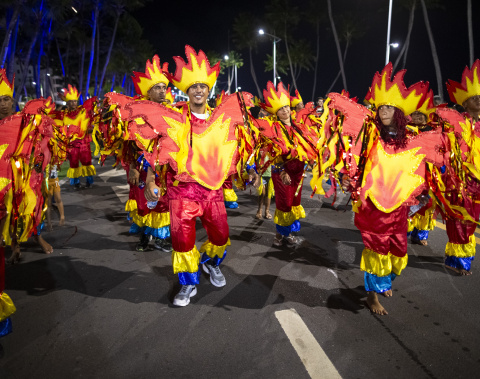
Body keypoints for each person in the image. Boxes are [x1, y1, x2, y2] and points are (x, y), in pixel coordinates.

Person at [111, 46, 254, 306]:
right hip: (182, 190)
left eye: (202, 86)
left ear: (208, 90)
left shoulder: (220, 117)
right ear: (187, 91)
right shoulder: (176, 116)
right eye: (193, 87)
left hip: (212, 190)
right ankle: (188, 283)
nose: (198, 90)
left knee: (221, 235)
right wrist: (152, 179)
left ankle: (210, 263)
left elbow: (237, 147)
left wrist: (251, 171)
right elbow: (158, 149)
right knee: (183, 241)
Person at [313, 64, 448, 315]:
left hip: (399, 208)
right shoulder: (370, 136)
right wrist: (347, 178)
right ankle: (372, 296)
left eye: (389, 106)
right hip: (374, 206)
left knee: (398, 253)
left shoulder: (411, 140)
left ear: (399, 111)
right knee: (376, 251)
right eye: (381, 106)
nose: (383, 110)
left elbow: (424, 167)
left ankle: (384, 281)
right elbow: (354, 161)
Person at [253, 82, 319, 246]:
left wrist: (312, 160)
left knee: (295, 203)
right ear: (276, 112)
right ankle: (278, 236)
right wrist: (282, 172)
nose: (285, 111)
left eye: (286, 107)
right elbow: (272, 154)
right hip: (282, 172)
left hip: (298, 172)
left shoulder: (299, 127)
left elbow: (307, 147)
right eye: (281, 109)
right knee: (284, 204)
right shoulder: (273, 128)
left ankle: (288, 233)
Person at [126, 55, 173, 252]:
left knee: (162, 203)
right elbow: (130, 145)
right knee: (144, 201)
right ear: (148, 91)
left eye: (164, 87)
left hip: (165, 168)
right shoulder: (137, 115)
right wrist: (133, 168)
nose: (162, 91)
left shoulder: (172, 113)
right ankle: (145, 236)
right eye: (157, 88)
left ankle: (161, 239)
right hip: (143, 169)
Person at [441, 59, 480, 275]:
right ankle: (456, 260)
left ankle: (462, 256)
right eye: (475, 98)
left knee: (471, 220)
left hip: (477, 183)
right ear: (465, 104)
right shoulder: (456, 125)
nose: (479, 101)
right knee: (458, 218)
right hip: (459, 180)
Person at [51, 85, 97, 189]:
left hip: (84, 143)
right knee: (74, 164)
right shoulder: (63, 115)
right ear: (67, 103)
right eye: (71, 102)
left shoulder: (83, 112)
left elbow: (90, 121)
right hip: (71, 145)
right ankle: (76, 183)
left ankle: (89, 181)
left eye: (75, 101)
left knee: (87, 162)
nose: (73, 103)